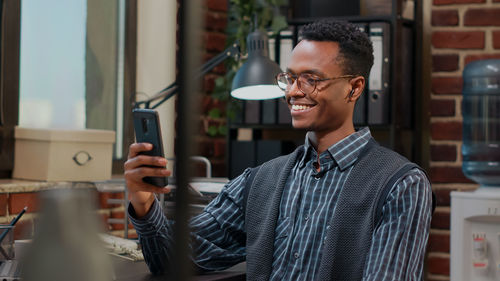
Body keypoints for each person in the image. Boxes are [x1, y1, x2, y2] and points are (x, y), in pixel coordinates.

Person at [124, 19, 433, 281]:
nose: (294, 91)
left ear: (354, 88)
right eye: (290, 78)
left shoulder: (400, 185)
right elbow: (174, 260)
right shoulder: (261, 181)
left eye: (311, 80)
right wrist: (142, 200)